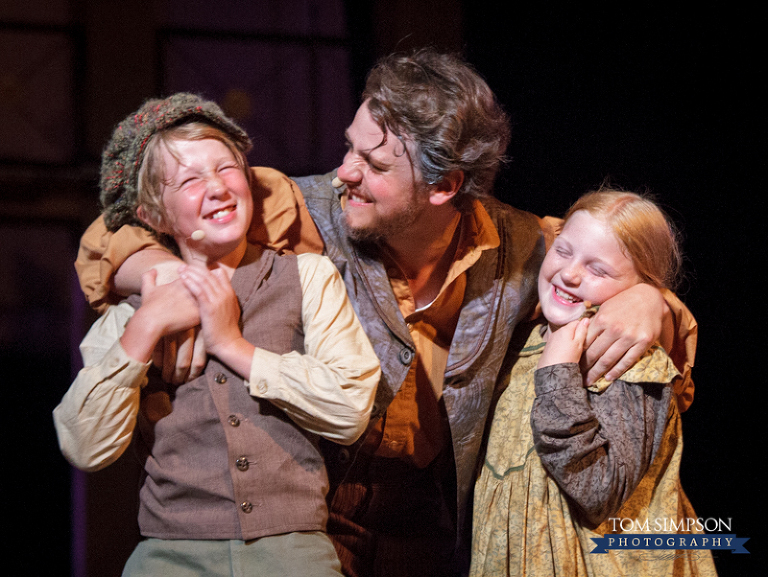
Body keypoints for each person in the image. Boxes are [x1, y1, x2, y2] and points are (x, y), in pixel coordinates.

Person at [72, 51, 695, 576]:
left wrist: (652, 300)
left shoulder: (523, 247)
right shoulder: (302, 208)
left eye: (374, 165)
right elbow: (118, 228)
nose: (345, 171)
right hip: (308, 526)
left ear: (444, 185)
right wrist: (157, 276)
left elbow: (610, 255)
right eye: (351, 147)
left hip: (438, 535)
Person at [53, 93, 381, 577]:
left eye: (227, 168)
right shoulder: (134, 312)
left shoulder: (305, 275)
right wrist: (145, 326)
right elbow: (85, 445)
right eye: (188, 179)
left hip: (292, 552)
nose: (216, 187)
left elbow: (350, 410)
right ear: (153, 216)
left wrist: (234, 345)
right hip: (170, 556)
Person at [471, 190, 716, 576]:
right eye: (564, 251)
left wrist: (558, 376)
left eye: (598, 270)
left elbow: (599, 490)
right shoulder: (523, 341)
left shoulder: (630, 362)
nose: (569, 273)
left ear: (638, 287)